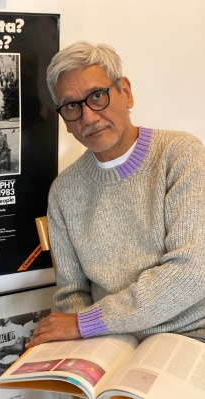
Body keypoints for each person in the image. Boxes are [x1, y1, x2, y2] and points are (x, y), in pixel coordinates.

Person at [26, 41, 205, 348]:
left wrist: (87, 322)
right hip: (109, 343)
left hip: (190, 336)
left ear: (126, 91)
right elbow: (72, 295)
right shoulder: (63, 192)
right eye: (71, 106)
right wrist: (88, 337)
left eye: (97, 95)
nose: (88, 117)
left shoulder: (180, 154)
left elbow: (192, 274)